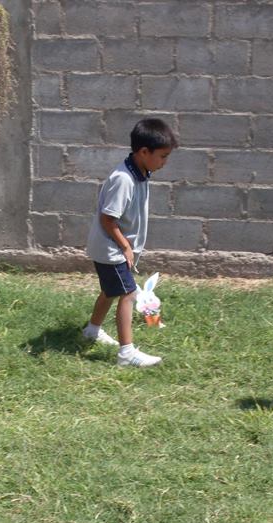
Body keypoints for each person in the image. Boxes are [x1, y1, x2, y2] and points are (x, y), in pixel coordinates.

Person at [82, 118, 178, 367]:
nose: (165, 162)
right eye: (162, 156)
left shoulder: (140, 172)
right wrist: (125, 247)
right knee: (128, 293)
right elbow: (107, 218)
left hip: (114, 247)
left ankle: (92, 330)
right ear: (144, 152)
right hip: (111, 249)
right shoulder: (123, 180)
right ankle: (126, 353)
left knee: (110, 290)